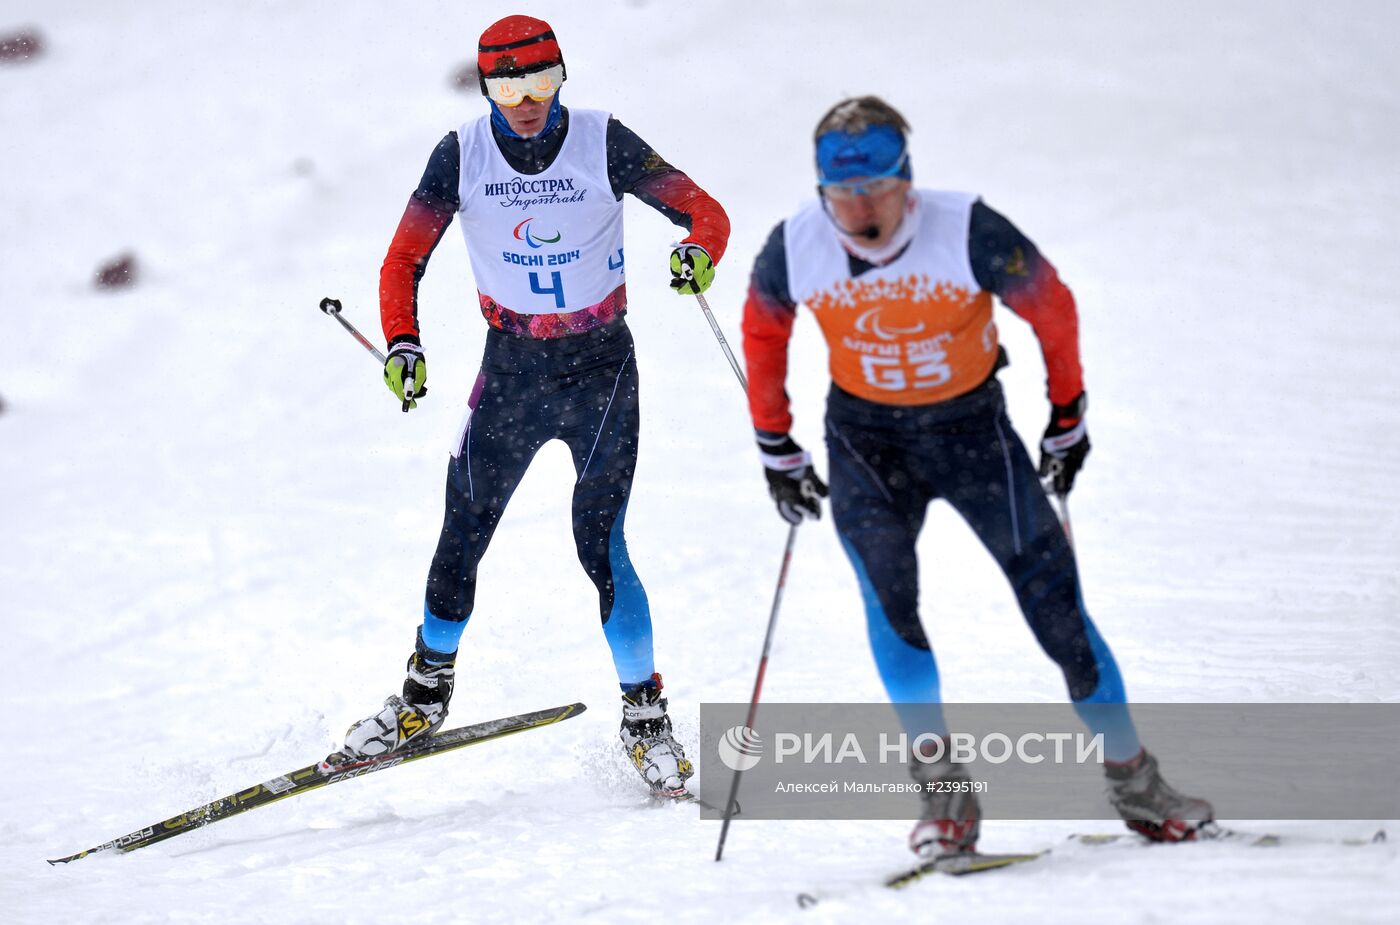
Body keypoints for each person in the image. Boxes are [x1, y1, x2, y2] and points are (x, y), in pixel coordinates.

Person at [740, 96, 1212, 853]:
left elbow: (1052, 308)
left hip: (972, 434)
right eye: (842, 195)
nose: (860, 211)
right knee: (891, 599)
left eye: (877, 191)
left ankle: (1137, 782)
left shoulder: (966, 228)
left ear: (908, 181)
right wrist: (775, 443)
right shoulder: (797, 243)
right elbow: (764, 330)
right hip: (868, 445)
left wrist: (1069, 414)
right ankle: (944, 799)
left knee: (1056, 605)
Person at [329, 15, 729, 798]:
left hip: (601, 368)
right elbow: (404, 257)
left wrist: (696, 252)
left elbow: (703, 210)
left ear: (562, 78)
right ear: (485, 87)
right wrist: (403, 343)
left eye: (541, 80)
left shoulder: (602, 140)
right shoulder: (462, 154)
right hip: (510, 369)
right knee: (462, 531)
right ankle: (422, 698)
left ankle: (645, 716)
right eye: (507, 84)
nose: (525, 100)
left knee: (600, 541)